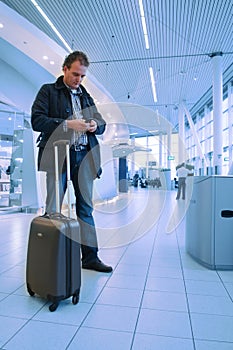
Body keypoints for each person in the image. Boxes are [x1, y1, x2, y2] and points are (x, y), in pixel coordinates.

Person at [31, 51, 112, 273]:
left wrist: (96, 125)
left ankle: (90, 258)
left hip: (85, 156)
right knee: (53, 209)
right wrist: (67, 125)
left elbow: (102, 122)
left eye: (82, 76)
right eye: (75, 74)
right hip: (58, 156)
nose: (78, 79)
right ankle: (49, 259)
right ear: (65, 68)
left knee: (85, 209)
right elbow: (37, 121)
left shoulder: (86, 96)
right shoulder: (48, 91)